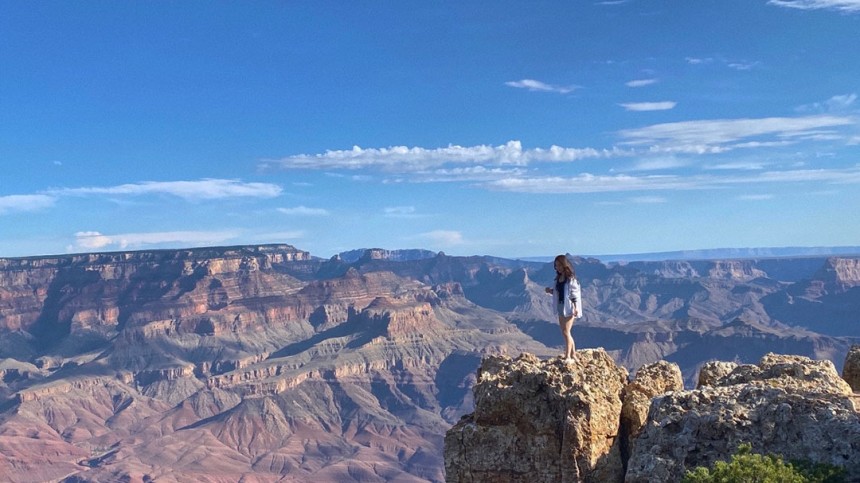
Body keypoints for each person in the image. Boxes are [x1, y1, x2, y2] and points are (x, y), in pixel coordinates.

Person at [545, 254, 581, 363]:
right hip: (560, 306)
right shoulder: (558, 278)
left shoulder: (570, 279)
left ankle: (568, 356)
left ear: (564, 265)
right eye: (556, 266)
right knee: (565, 332)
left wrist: (575, 308)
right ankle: (573, 354)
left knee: (566, 332)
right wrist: (550, 291)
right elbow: (559, 292)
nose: (558, 268)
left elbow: (574, 294)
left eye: (560, 265)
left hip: (569, 307)